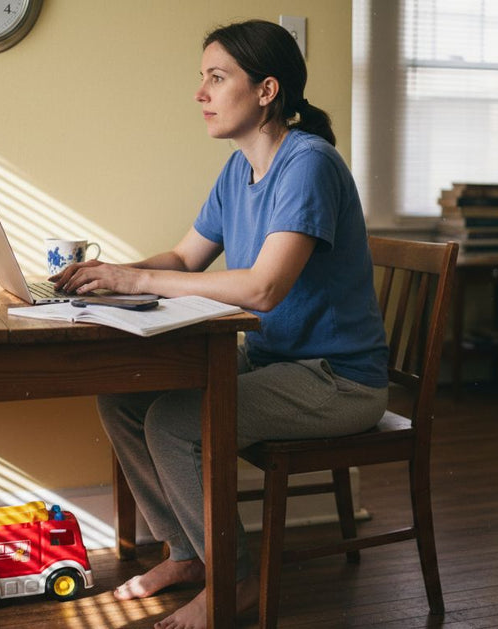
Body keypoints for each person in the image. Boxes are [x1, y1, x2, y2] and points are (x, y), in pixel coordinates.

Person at [50, 19, 389, 629]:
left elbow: (262, 288)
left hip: (338, 379)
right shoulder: (238, 170)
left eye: (217, 77)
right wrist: (110, 273)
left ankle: (234, 580)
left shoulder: (309, 164)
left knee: (175, 422)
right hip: (274, 363)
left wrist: (140, 283)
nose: (200, 92)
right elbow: (185, 259)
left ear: (266, 90)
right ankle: (188, 555)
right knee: (124, 397)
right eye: (202, 78)